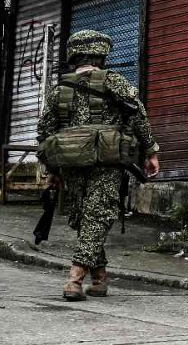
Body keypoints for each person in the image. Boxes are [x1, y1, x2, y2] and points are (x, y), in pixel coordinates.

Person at [37, 30, 159, 301]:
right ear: (102, 54)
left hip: (71, 162)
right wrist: (151, 150)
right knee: (94, 217)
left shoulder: (60, 90)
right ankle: (75, 279)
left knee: (87, 217)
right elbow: (138, 115)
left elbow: (45, 132)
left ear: (74, 55)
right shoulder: (114, 81)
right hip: (106, 162)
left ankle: (100, 278)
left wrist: (51, 171)